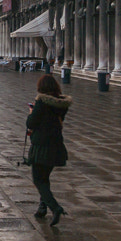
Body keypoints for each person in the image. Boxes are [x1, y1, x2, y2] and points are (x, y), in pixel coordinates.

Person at [25, 73, 71, 226]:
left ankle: (55, 207)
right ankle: (42, 208)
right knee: (45, 178)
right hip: (56, 146)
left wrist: (31, 112)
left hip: (41, 146)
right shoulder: (61, 105)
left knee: (38, 180)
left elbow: (31, 123)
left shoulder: (41, 102)